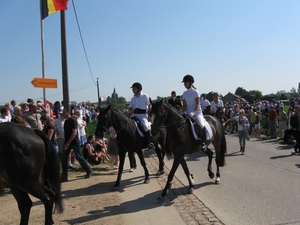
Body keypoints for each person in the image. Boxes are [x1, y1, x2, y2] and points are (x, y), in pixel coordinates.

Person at [60, 109, 93, 182]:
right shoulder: (66, 121)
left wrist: (68, 143)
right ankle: (64, 176)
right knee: (64, 159)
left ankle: (88, 170)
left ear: (68, 113)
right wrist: (67, 143)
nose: (62, 114)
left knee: (79, 157)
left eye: (64, 113)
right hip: (67, 142)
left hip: (74, 142)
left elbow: (74, 132)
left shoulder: (73, 120)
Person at [181, 74, 207, 146]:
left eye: (185, 82)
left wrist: (193, 112)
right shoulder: (184, 93)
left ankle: (204, 143)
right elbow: (185, 106)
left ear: (190, 82)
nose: (184, 84)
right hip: (188, 113)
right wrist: (181, 110)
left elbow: (198, 104)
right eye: (184, 83)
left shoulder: (195, 92)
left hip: (197, 113)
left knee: (201, 125)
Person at [128, 82, 154, 149]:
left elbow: (149, 105)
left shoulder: (145, 96)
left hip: (142, 115)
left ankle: (149, 142)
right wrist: (130, 110)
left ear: (139, 89)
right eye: (132, 89)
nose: (133, 90)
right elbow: (130, 107)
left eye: (134, 89)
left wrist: (149, 115)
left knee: (145, 127)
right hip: (134, 115)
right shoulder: (133, 98)